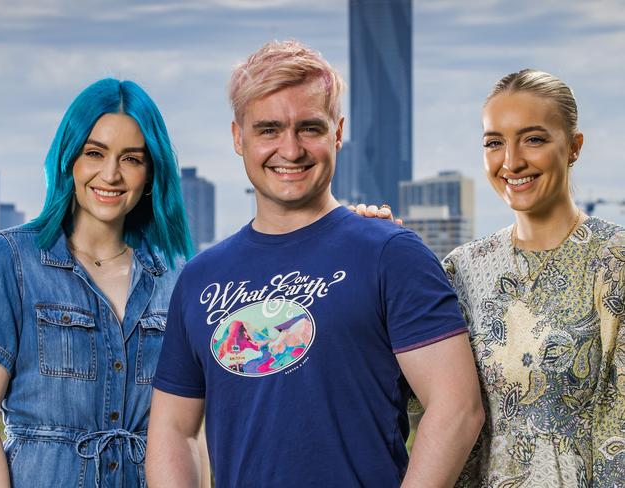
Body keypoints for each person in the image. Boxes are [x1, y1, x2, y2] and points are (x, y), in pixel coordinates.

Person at [145, 39, 484, 487]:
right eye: (268, 129)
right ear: (237, 137)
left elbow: (457, 408)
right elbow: (175, 430)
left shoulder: (391, 254)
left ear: (337, 132)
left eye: (309, 128)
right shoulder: (200, 278)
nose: (290, 149)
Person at [0, 78, 196, 487]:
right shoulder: (9, 260)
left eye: (131, 159)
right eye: (95, 153)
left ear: (151, 174)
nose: (110, 174)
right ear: (69, 160)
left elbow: (189, 433)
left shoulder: (179, 275)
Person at [442, 69, 625, 486]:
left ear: (574, 147)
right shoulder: (462, 269)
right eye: (494, 143)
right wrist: (375, 244)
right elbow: (417, 396)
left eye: (534, 139)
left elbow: (621, 427)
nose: (512, 161)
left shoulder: (615, 262)